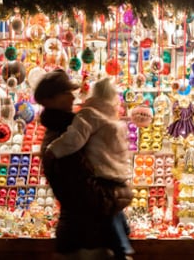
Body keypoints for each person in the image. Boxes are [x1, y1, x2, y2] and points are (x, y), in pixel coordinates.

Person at [34, 69, 133, 260]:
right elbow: (81, 190)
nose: (72, 97)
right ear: (49, 99)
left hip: (83, 233)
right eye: (66, 93)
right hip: (85, 236)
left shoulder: (74, 129)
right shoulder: (62, 138)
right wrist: (116, 195)